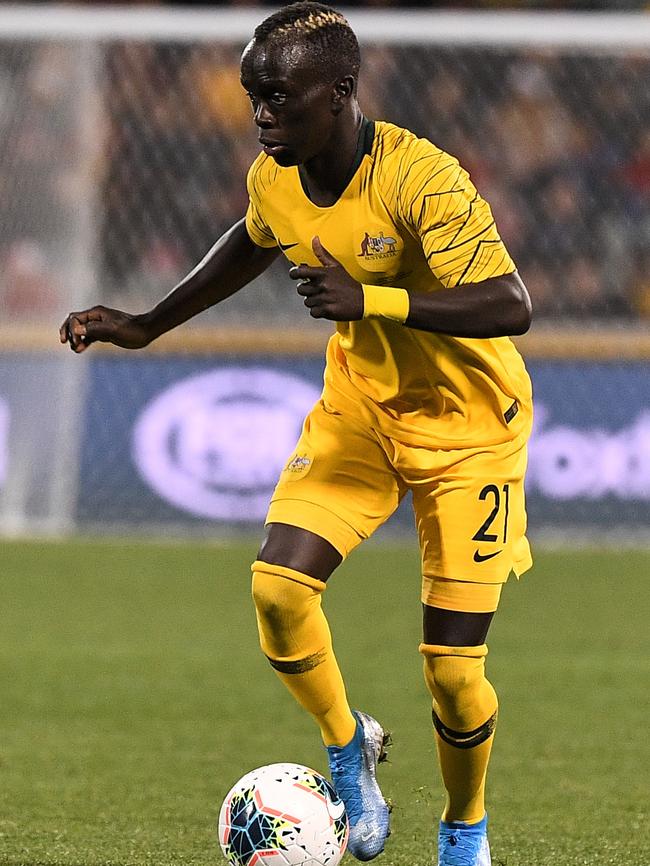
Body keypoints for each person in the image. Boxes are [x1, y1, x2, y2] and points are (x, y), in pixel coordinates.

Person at [60, 4, 533, 865]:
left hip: (470, 435)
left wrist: (373, 298)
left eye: (278, 98)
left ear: (341, 93)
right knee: (279, 590)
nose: (261, 116)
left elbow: (511, 305)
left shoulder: (423, 179)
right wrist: (147, 324)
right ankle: (348, 746)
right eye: (253, 98)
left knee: (456, 676)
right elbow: (250, 241)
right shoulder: (276, 171)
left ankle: (464, 827)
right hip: (361, 412)